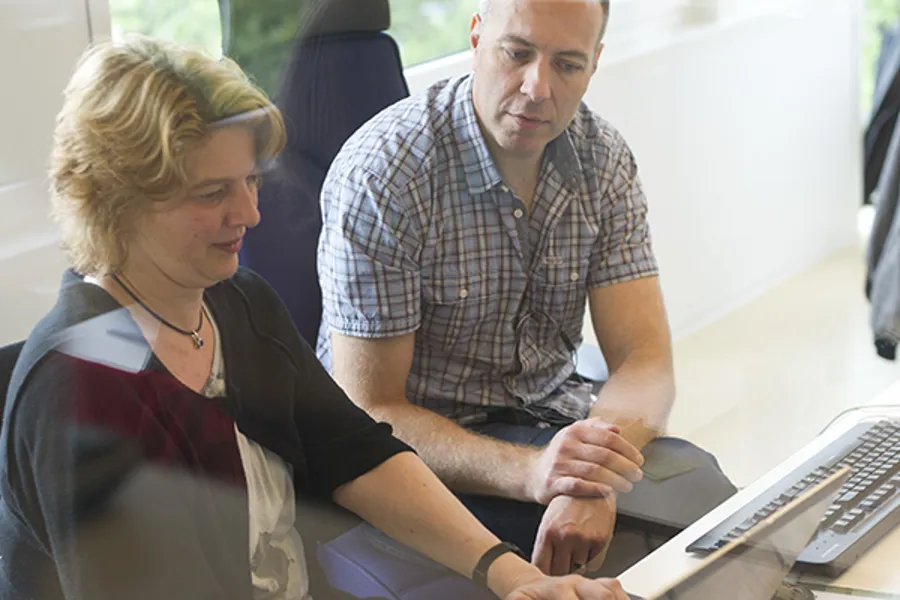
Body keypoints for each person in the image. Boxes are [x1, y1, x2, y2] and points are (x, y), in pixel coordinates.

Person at [0, 35, 632, 600]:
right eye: (212, 192)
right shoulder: (81, 392)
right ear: (115, 200)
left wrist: (512, 574)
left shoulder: (237, 304)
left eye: (250, 181)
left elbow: (354, 452)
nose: (248, 214)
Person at [317, 0, 723, 577]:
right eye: (518, 53)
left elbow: (644, 359)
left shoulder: (601, 160)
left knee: (710, 502)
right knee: (639, 556)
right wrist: (536, 474)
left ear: (595, 63)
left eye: (567, 64)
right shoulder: (386, 175)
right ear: (477, 35)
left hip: (552, 423)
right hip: (419, 462)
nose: (537, 87)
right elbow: (370, 411)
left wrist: (589, 479)